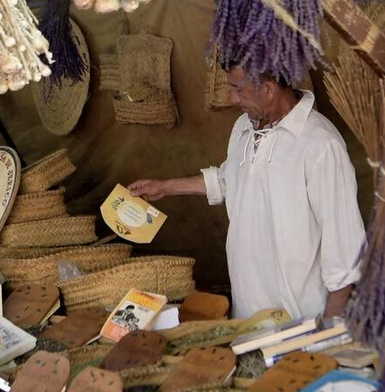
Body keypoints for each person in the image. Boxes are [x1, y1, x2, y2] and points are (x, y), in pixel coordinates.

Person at [129, 64, 366, 322]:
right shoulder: (244, 127)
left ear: (268, 89)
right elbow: (230, 180)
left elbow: (345, 252)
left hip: (301, 321)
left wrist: (328, 331)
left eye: (238, 89)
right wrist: (165, 187)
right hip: (248, 316)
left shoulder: (321, 145)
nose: (232, 98)